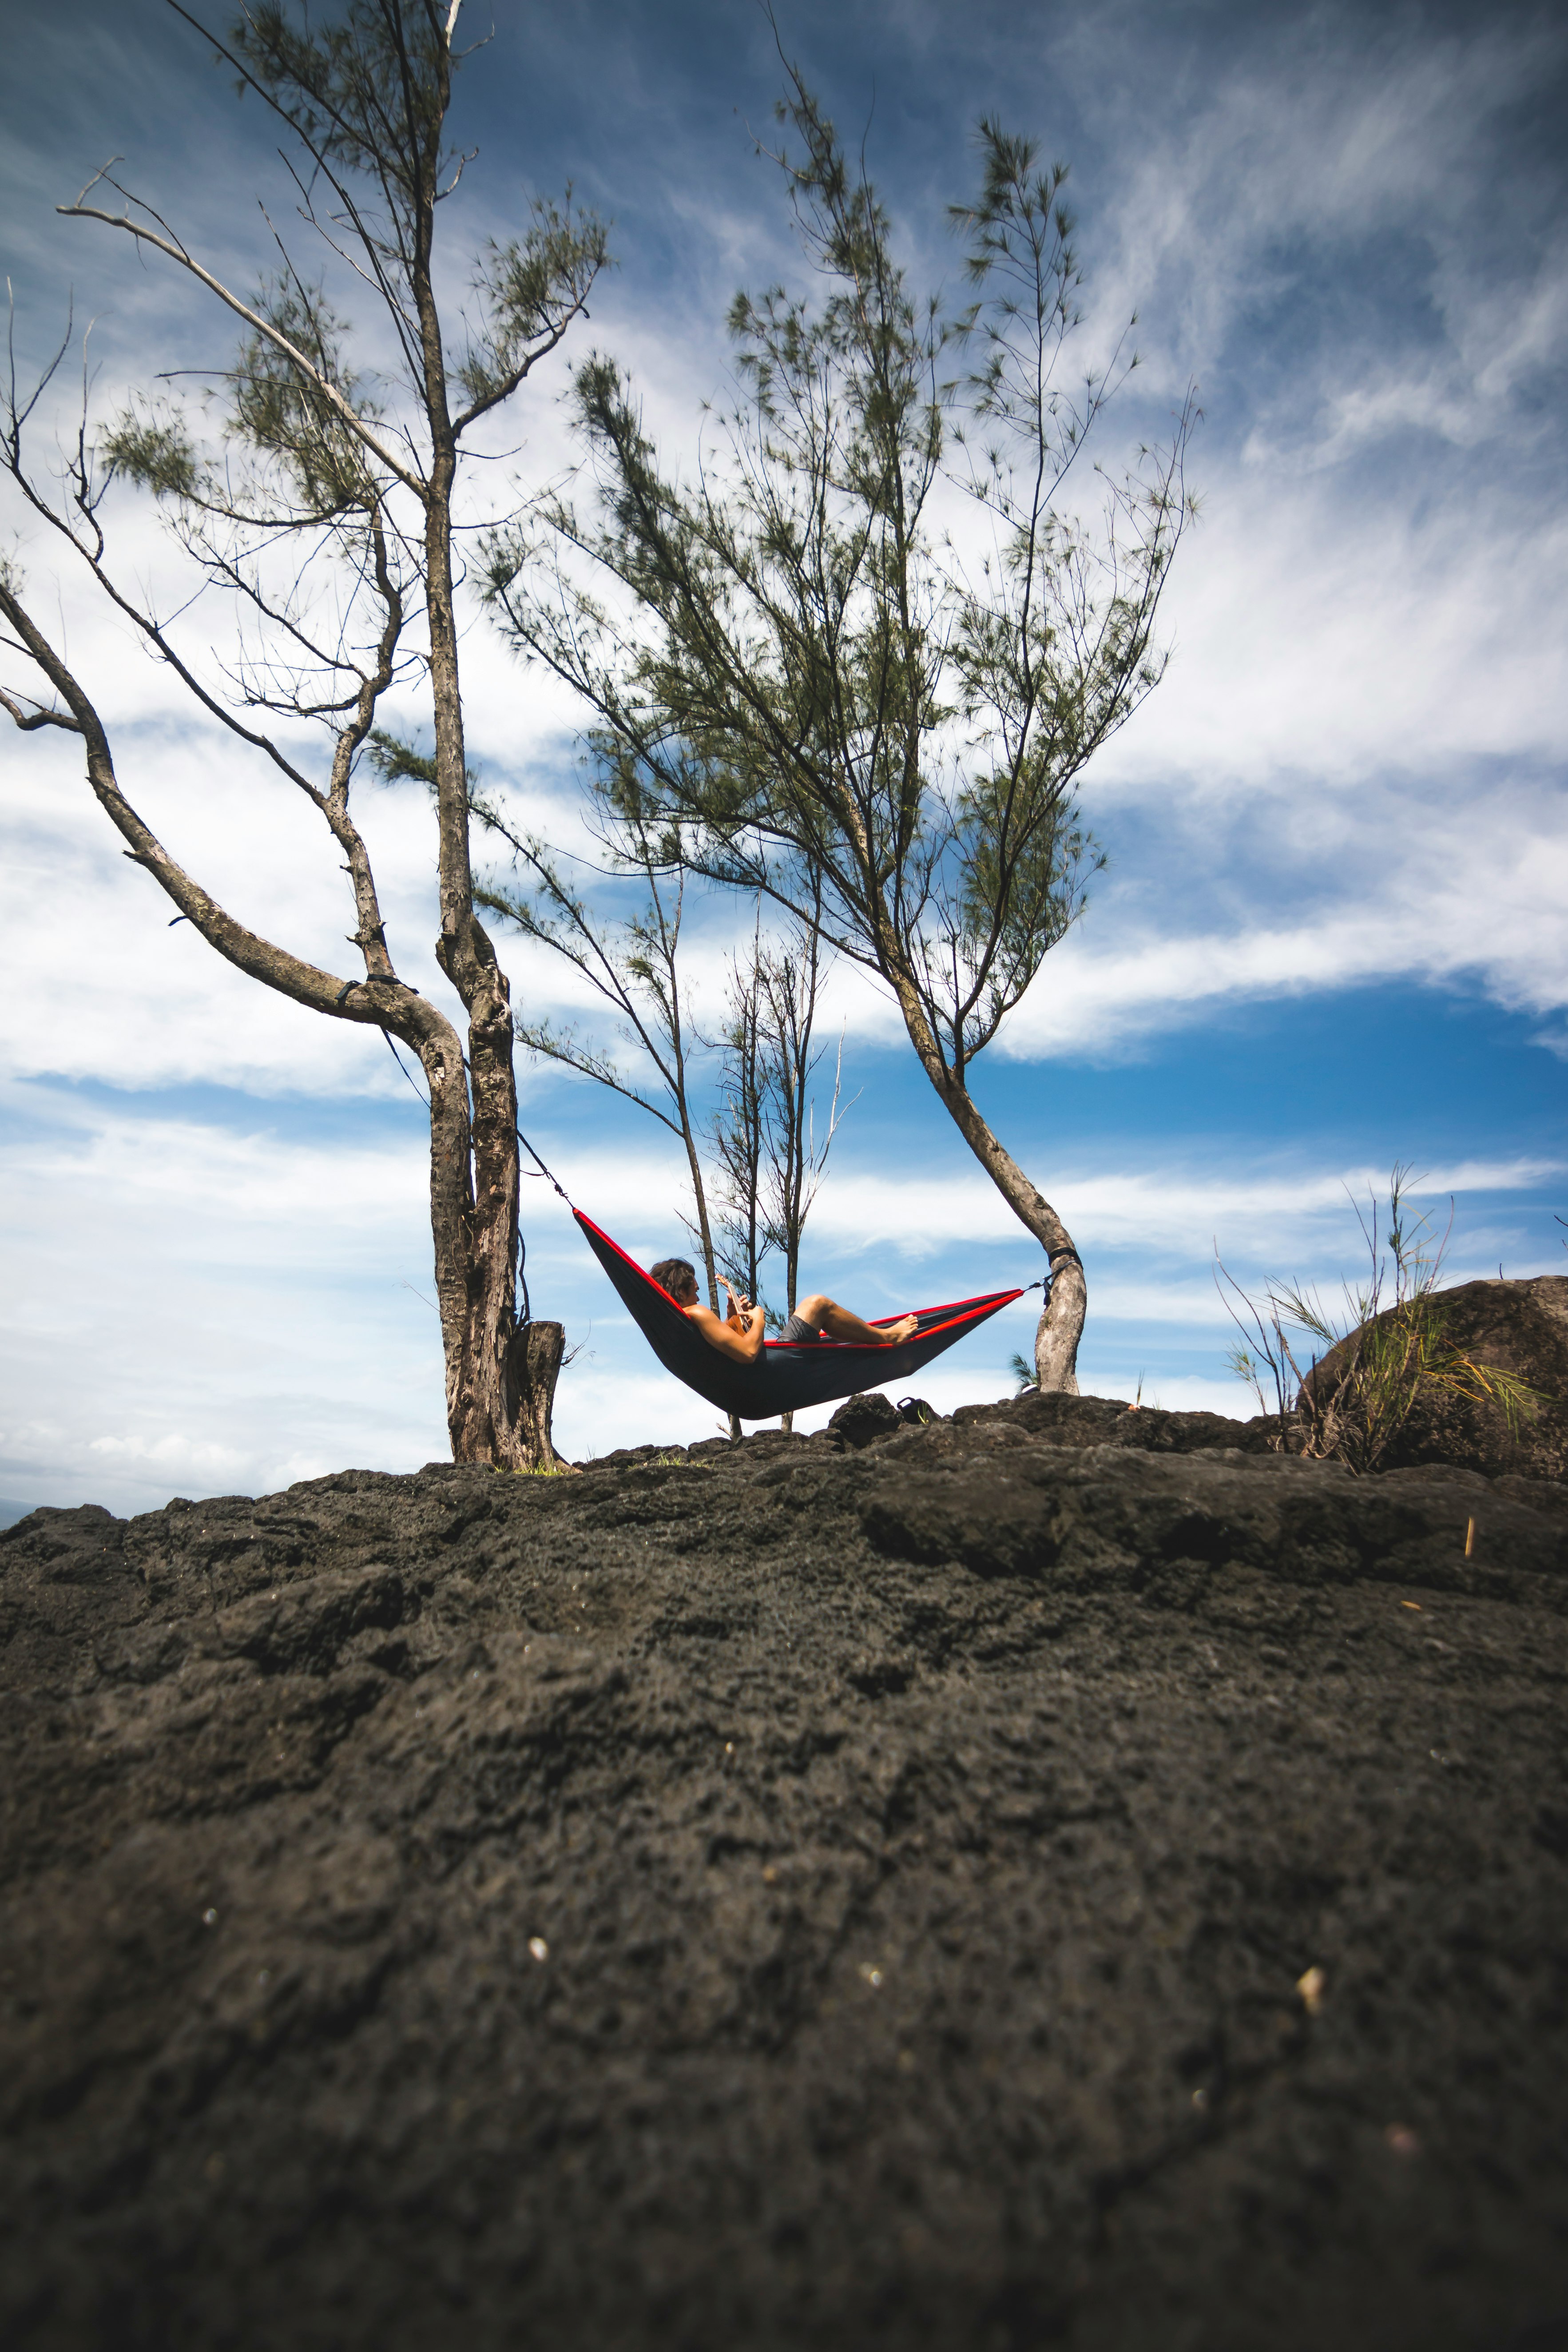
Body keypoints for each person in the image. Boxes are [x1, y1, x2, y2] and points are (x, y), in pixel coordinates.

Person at [648, 1257, 918, 1365]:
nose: (698, 1296)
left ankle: (867, 1337)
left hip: (758, 1380)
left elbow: (727, 1350)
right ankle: (886, 1338)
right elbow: (748, 1354)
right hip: (776, 1367)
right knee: (817, 1304)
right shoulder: (696, 1313)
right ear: (680, 1292)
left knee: (824, 1323)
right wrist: (759, 1320)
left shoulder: (682, 1324)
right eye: (694, 1290)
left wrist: (733, 1319)